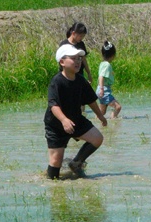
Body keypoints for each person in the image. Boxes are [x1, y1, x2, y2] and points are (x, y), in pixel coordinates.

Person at [44, 44, 108, 180]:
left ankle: (76, 163)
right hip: (56, 125)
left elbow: (91, 100)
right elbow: (53, 105)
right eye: (73, 58)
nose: (78, 61)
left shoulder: (80, 80)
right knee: (55, 168)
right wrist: (64, 120)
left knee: (97, 138)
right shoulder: (57, 81)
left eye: (79, 58)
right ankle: (49, 182)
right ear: (62, 62)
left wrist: (100, 116)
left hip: (76, 120)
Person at [96, 41, 122, 118]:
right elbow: (101, 76)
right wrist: (102, 89)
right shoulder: (107, 65)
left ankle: (96, 121)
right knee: (118, 107)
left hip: (101, 90)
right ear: (113, 55)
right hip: (104, 91)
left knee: (102, 112)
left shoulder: (102, 63)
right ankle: (113, 119)